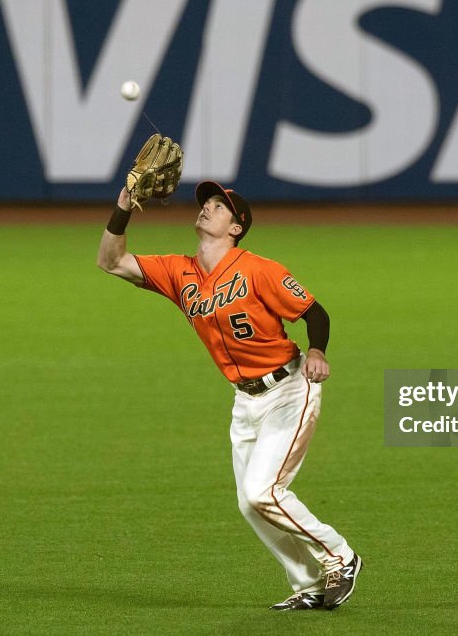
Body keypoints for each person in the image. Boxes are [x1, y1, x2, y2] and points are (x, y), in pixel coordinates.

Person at [96, 179, 362, 611]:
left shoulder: (261, 269)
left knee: (263, 493)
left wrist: (317, 350)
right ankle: (310, 585)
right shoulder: (178, 271)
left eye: (219, 206)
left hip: (288, 391)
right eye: (206, 204)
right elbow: (111, 261)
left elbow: (315, 311)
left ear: (236, 227)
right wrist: (123, 207)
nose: (206, 209)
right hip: (244, 400)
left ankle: (341, 556)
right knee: (250, 504)